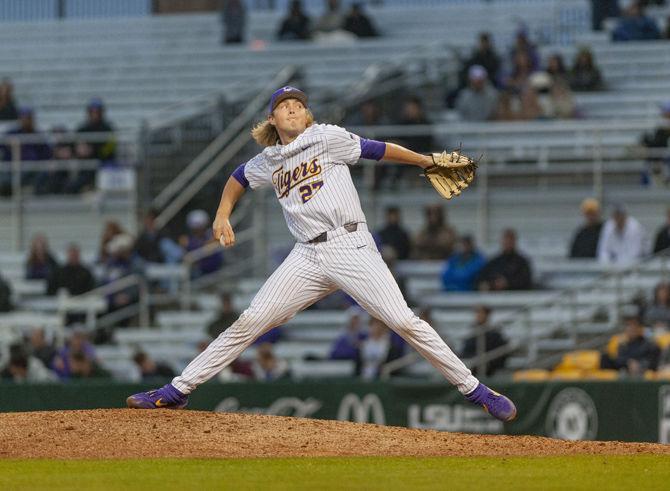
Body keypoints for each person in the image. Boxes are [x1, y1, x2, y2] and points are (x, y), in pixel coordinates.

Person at [127, 85, 517, 421]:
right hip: (306, 256)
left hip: (351, 244)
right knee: (248, 321)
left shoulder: (325, 136)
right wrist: (221, 214)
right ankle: (176, 391)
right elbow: (237, 178)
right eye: (284, 106)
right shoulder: (269, 160)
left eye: (298, 104)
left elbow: (376, 150)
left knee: (404, 321)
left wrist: (425, 160)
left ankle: (476, 391)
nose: (293, 108)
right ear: (273, 120)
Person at [600, 307, 660, 375]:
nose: (631, 328)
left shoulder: (648, 344)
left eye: (634, 325)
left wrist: (639, 364)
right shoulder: (623, 344)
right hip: (624, 373)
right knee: (605, 358)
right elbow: (619, 360)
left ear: (640, 327)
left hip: (643, 374)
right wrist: (628, 362)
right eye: (628, 325)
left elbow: (653, 362)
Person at [461, 306, 508, 377]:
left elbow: (499, 352)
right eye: (477, 313)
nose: (479, 316)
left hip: (489, 367)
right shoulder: (472, 332)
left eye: (481, 313)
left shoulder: (494, 333)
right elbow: (466, 351)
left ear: (487, 315)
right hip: (473, 364)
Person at [640, 101, 670, 188]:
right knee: (649, 163)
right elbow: (657, 142)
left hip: (665, 155)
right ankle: (645, 188)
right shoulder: (661, 127)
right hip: (661, 155)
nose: (664, 114)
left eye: (666, 112)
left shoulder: (664, 127)